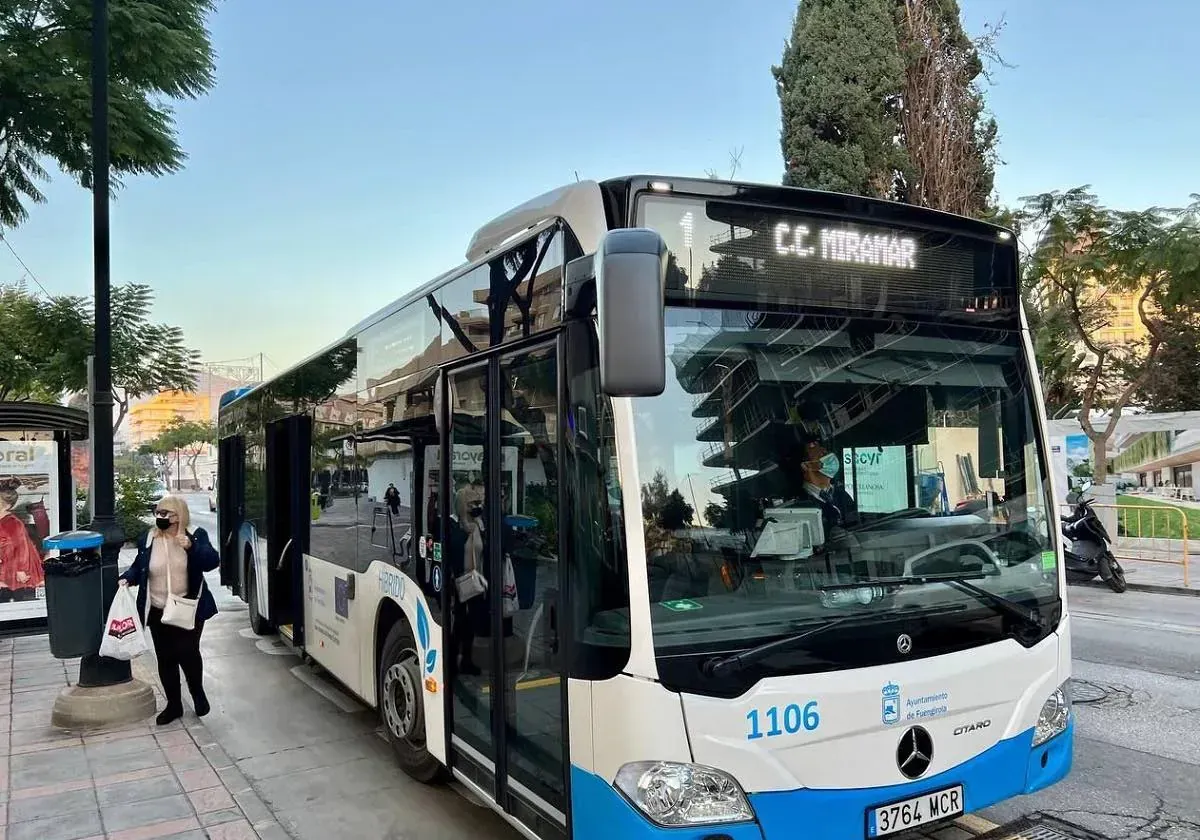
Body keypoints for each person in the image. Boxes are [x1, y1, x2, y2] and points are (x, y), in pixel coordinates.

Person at [119, 495, 219, 725]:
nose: (160, 517)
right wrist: (127, 578)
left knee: (188, 652)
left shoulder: (195, 535)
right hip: (157, 608)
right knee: (165, 658)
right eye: (158, 512)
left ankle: (197, 693)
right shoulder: (149, 538)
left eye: (166, 514)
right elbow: (139, 567)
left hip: (187, 606)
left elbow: (212, 562)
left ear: (179, 515)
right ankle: (173, 705)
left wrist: (191, 547)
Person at [0, 482, 45, 602]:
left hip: (16, 563)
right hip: (5, 561)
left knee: (17, 592)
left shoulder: (12, 523)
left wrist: (21, 570)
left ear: (7, 506)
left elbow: (22, 547)